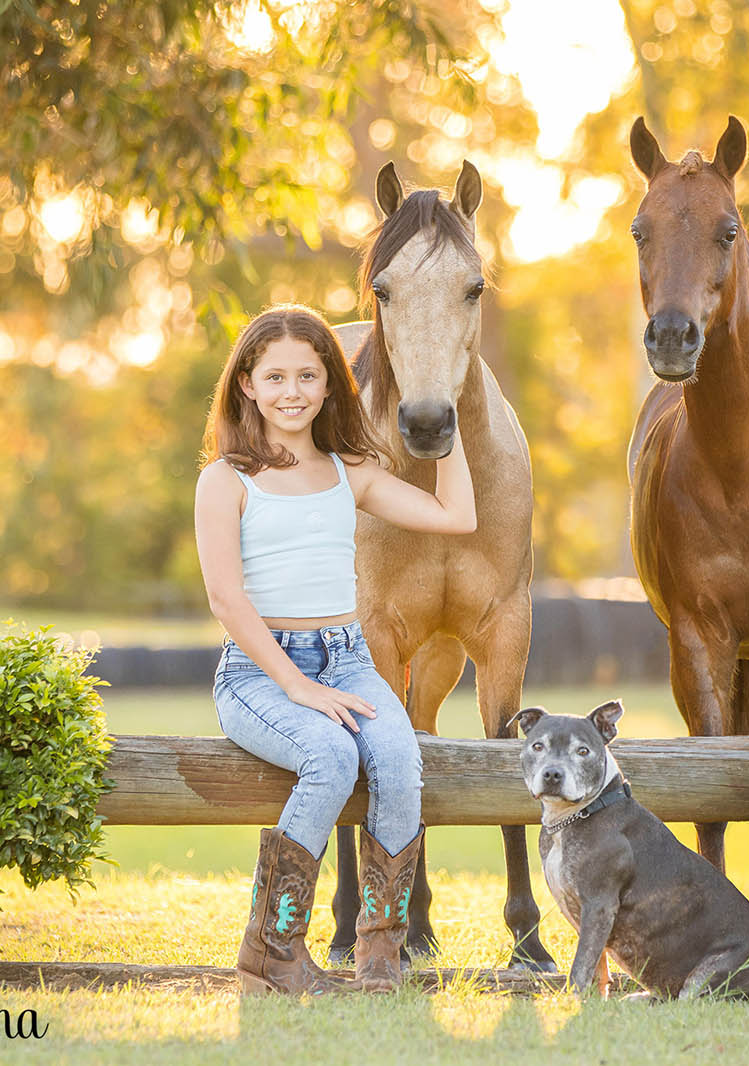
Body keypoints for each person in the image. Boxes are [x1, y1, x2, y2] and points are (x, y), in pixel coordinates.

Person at [194, 305, 476, 995]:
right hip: (259, 673)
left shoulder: (349, 470)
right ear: (246, 387)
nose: (292, 391)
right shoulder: (225, 480)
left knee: (400, 760)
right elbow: (228, 602)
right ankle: (273, 951)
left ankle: (379, 956)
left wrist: (453, 423)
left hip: (346, 659)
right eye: (276, 376)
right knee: (329, 755)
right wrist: (297, 686)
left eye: (309, 376)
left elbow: (456, 518)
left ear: (329, 388)